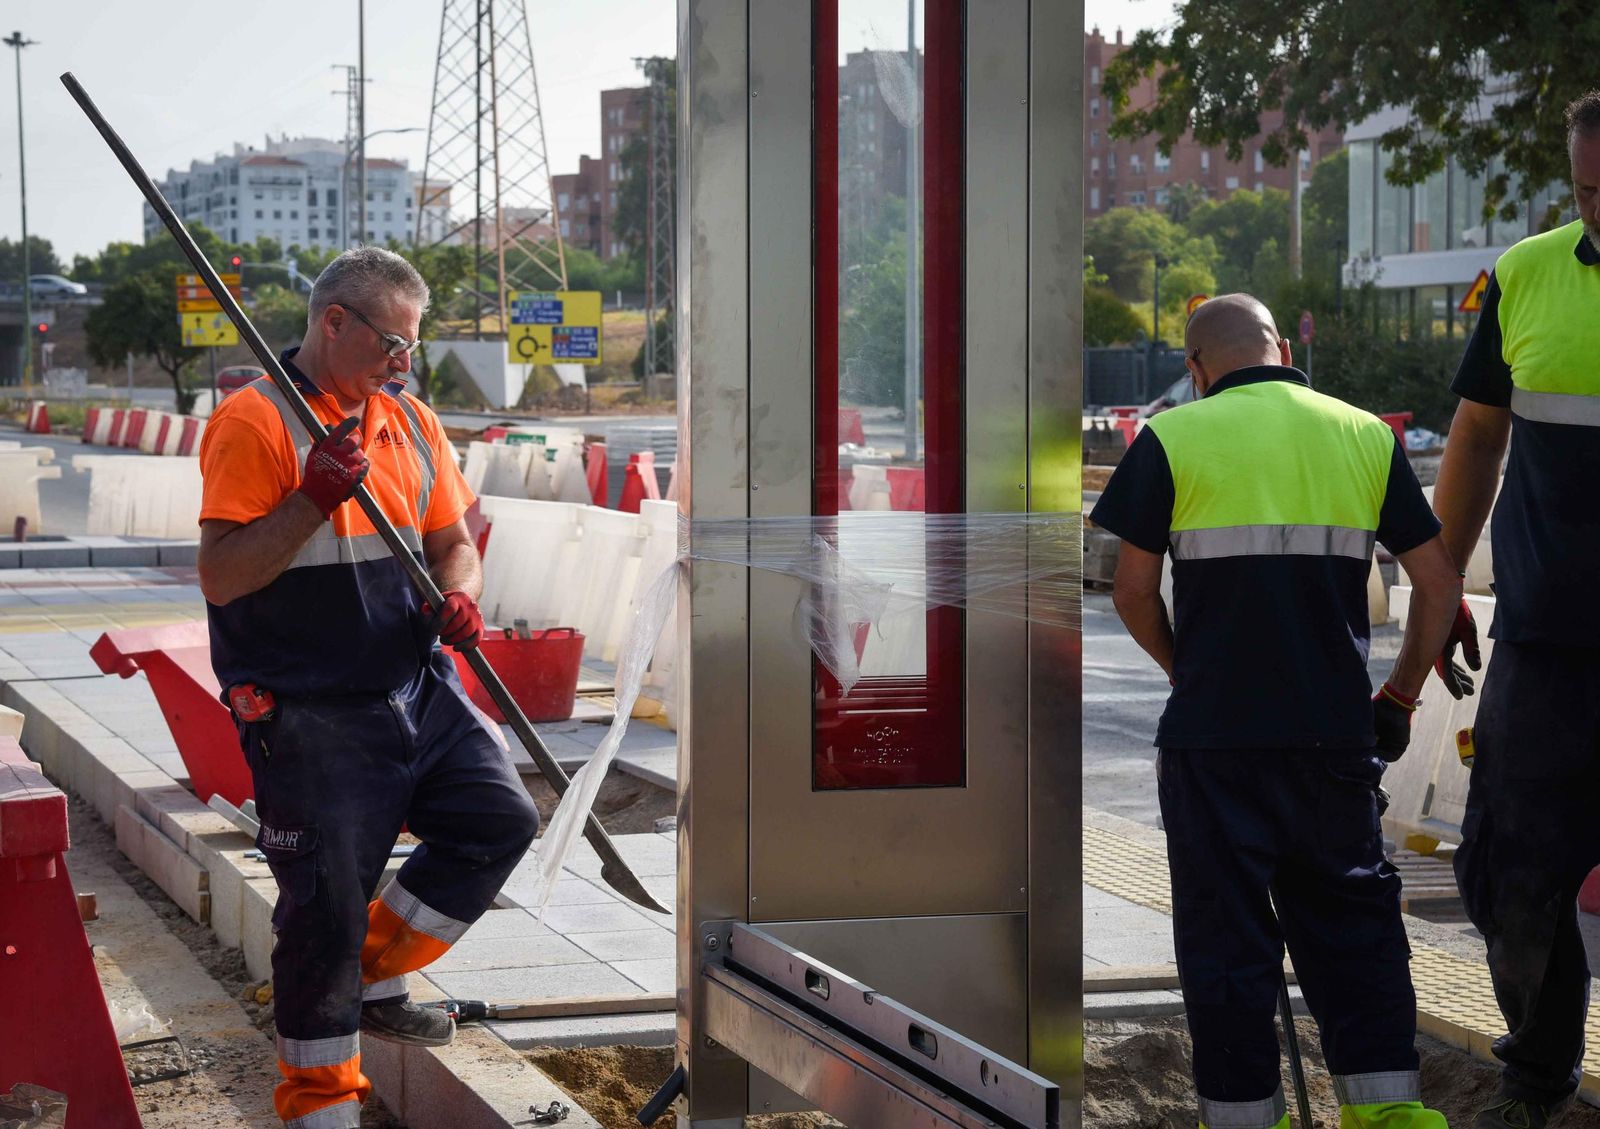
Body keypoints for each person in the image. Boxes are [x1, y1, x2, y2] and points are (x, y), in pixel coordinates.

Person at [1090, 294, 1461, 1129]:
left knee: (1227, 950)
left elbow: (1132, 589)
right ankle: (1388, 1116)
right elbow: (1437, 586)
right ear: (1284, 347)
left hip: (1214, 745)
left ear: (1195, 369)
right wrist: (1398, 695)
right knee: (1356, 937)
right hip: (1333, 741)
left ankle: (1244, 1119)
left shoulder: (1172, 438)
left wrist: (1189, 670)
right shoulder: (1365, 433)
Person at [196, 247, 540, 1129]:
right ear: (333, 322)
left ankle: (375, 974)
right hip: (308, 711)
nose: (402, 362)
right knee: (323, 912)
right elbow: (224, 576)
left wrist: (460, 591)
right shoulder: (256, 421)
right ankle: (321, 1110)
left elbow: (453, 540)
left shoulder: (411, 423)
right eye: (392, 341)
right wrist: (311, 498)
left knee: (498, 819)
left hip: (412, 686)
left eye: (411, 347)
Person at [1435, 90, 1600, 1129]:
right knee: (1509, 868)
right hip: (1546, 643)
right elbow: (1478, 437)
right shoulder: (1529, 273)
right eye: (1589, 191)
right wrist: (1441, 578)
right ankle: (1536, 1078)